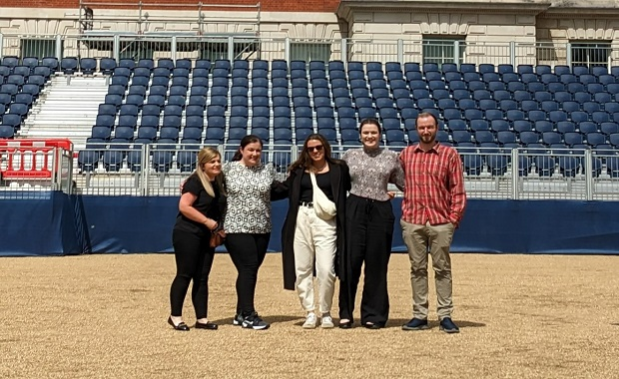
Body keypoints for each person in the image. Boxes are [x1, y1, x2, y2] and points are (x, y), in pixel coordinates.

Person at [399, 112, 467, 334]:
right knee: (417, 268)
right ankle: (420, 314)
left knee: (442, 268)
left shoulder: (449, 154)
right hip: (413, 220)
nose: (425, 131)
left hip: (440, 220)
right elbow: (395, 180)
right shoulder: (406, 155)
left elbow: (457, 189)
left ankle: (445, 314)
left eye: (429, 127)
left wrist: (453, 219)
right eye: (421, 128)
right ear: (416, 129)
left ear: (436, 128)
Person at [338, 118, 405, 329]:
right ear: (360, 135)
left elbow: (405, 183)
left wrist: (390, 194)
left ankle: (373, 315)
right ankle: (346, 313)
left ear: (380, 134)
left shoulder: (391, 157)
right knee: (350, 262)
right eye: (366, 133)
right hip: (354, 207)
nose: (369, 136)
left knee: (377, 264)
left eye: (373, 133)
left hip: (380, 210)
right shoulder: (349, 156)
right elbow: (338, 183)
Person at [280, 134, 350, 329]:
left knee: (326, 269)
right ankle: (310, 311)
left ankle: (326, 311)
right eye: (311, 149)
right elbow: (283, 189)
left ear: (325, 147)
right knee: (302, 268)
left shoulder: (339, 168)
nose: (315, 151)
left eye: (318, 147)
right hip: (301, 216)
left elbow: (353, 188)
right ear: (306, 151)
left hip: (326, 219)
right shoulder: (298, 171)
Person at [223, 135, 287, 330]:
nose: (255, 154)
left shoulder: (267, 170)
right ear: (242, 150)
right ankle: (249, 314)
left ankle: (240, 313)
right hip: (236, 226)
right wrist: (188, 184)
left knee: (249, 270)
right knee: (249, 267)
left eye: (258, 150)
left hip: (262, 227)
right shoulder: (228, 169)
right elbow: (205, 179)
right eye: (251, 150)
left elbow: (284, 187)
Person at [168, 147, 226, 331]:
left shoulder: (218, 181)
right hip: (188, 233)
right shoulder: (194, 182)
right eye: (212, 161)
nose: (216, 164)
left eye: (218, 161)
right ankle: (175, 316)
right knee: (185, 274)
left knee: (202, 277)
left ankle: (202, 318)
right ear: (203, 165)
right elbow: (184, 206)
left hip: (207, 236)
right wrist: (207, 222)